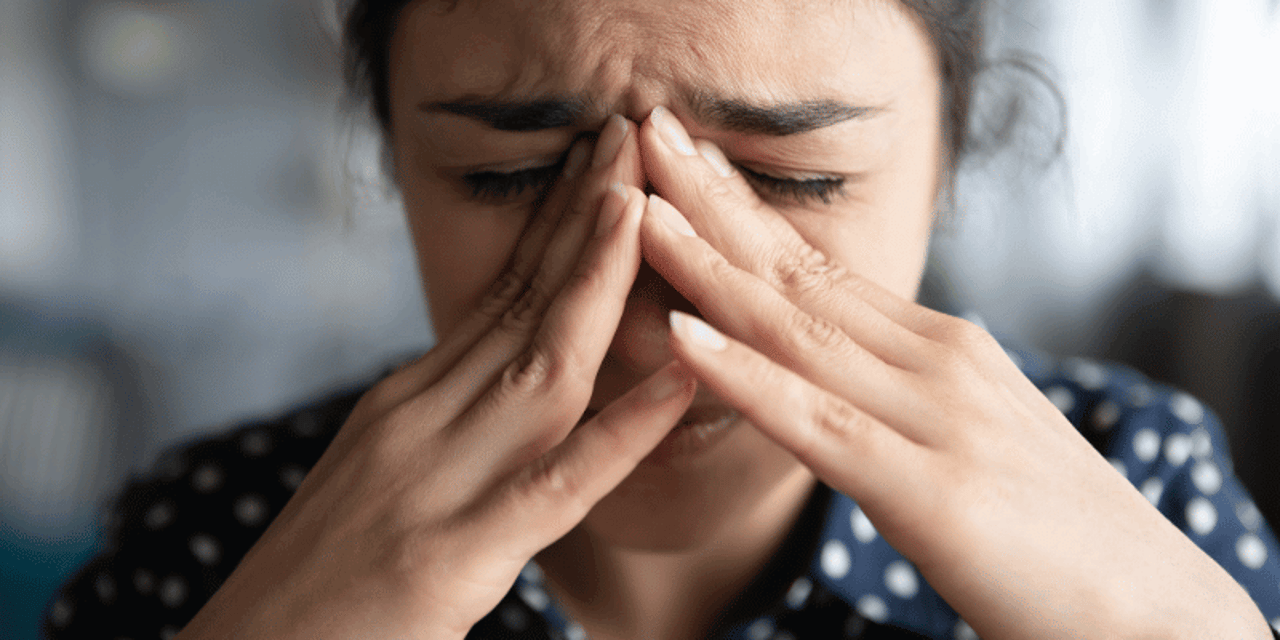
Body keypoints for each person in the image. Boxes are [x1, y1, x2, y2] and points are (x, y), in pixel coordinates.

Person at [43, 0, 1280, 638]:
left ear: (949, 159)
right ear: (390, 160)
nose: (650, 326)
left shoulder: (1137, 485)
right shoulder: (218, 537)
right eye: (511, 178)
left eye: (795, 183)